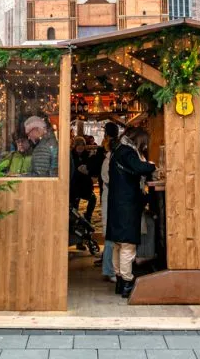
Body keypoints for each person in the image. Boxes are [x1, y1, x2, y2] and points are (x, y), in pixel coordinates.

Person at [105, 125, 155, 299]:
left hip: (117, 202)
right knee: (127, 244)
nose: (145, 147)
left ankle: (120, 280)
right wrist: (151, 166)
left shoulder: (118, 150)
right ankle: (127, 282)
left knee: (118, 244)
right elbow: (140, 168)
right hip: (127, 204)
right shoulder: (128, 151)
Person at [97, 121, 121, 281]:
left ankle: (110, 268)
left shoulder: (107, 158)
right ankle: (110, 269)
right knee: (112, 233)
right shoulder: (109, 160)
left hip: (109, 195)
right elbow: (108, 179)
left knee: (111, 232)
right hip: (111, 196)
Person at [70, 136, 96, 221]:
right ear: (75, 146)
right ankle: (74, 221)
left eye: (82, 145)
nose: (80, 147)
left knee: (93, 199)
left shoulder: (87, 155)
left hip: (85, 184)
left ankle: (88, 216)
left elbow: (89, 168)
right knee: (74, 205)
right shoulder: (71, 155)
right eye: (78, 145)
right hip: (75, 184)